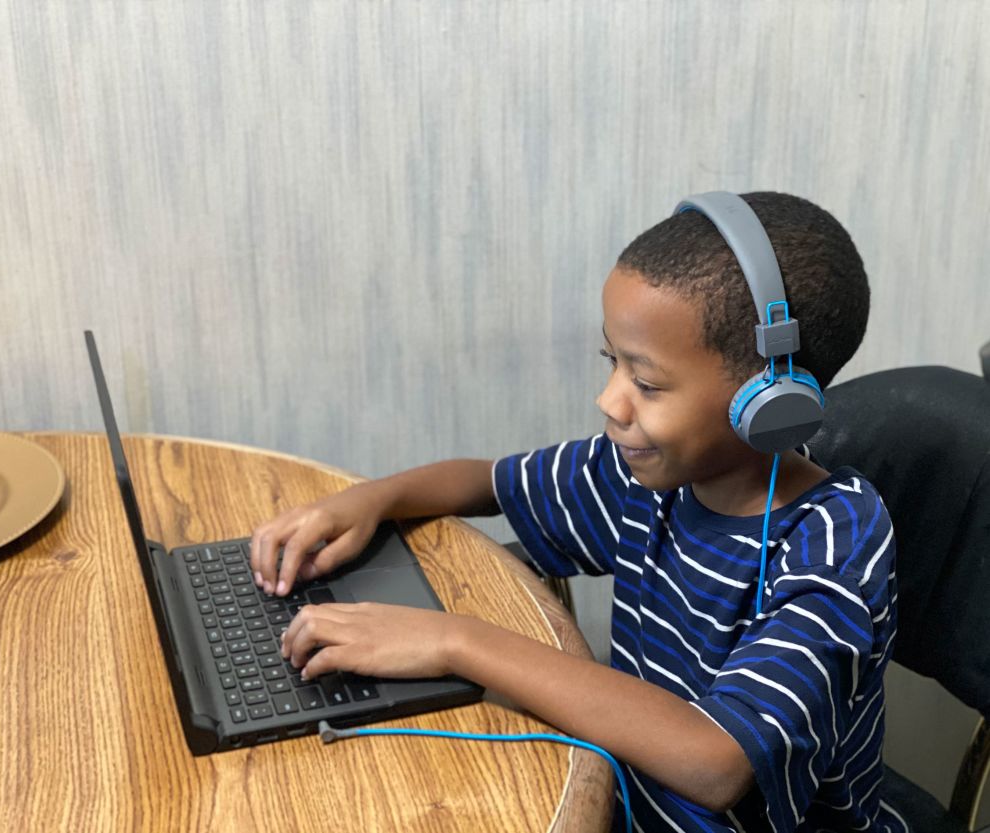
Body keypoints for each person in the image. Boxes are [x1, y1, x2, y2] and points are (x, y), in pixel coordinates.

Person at [250, 191, 903, 832]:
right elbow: (487, 483)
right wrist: (367, 501)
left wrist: (453, 639)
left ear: (770, 402)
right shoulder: (646, 475)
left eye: (645, 382)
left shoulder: (833, 541)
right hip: (624, 798)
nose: (610, 400)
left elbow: (716, 762)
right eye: (610, 362)